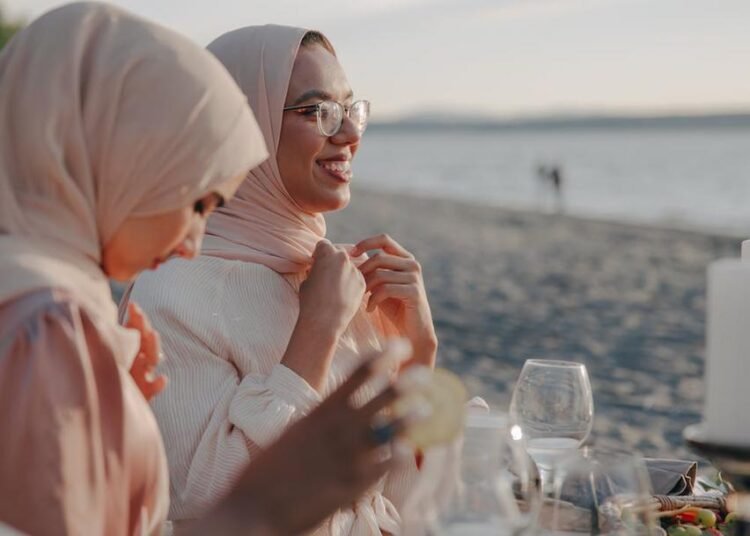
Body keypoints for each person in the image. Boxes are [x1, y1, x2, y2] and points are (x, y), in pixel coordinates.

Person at [0, 4, 414, 535]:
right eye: (194, 200)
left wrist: (419, 351)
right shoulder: (48, 325)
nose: (194, 238)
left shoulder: (56, 311)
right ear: (110, 161)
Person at [125, 24, 439, 533]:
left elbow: (397, 502)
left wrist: (418, 357)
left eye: (351, 108)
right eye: (319, 112)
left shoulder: (329, 275)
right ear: (243, 131)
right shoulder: (173, 293)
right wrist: (315, 331)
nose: (350, 134)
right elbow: (208, 508)